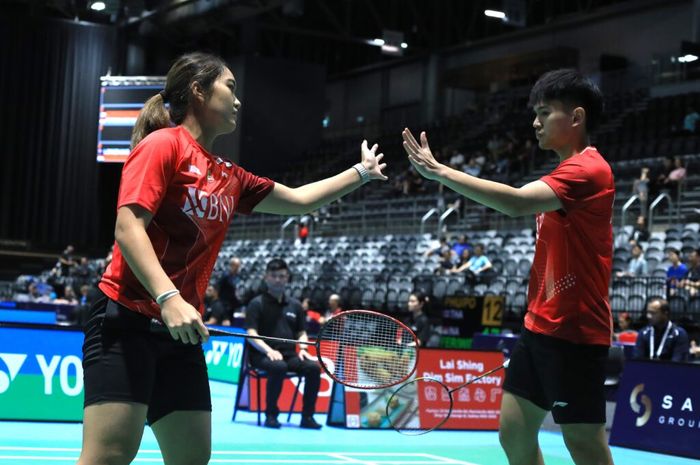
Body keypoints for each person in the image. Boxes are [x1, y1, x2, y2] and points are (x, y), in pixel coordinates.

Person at [77, 52, 386, 465]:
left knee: (191, 458)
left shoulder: (230, 175)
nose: (238, 100)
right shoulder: (162, 146)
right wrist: (169, 299)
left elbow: (297, 201)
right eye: (230, 87)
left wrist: (360, 173)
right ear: (198, 91)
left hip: (180, 333)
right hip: (125, 319)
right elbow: (128, 227)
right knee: (109, 456)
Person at [402, 69, 614, 465]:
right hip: (540, 327)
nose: (534, 122)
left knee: (583, 444)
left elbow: (515, 202)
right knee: (514, 433)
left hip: (575, 334)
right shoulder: (562, 173)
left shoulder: (589, 171)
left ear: (576, 117)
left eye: (544, 112)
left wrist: (440, 172)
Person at [244, 259, 323, 429]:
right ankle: (271, 415)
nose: (278, 280)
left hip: (289, 355)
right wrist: (268, 350)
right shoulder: (257, 303)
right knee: (279, 367)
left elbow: (302, 332)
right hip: (261, 355)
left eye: (282, 276)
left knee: (313, 368)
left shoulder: (295, 305)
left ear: (287, 278)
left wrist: (302, 348)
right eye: (274, 276)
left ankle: (307, 417)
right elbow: (251, 334)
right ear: (266, 278)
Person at [634, 298, 689, 362]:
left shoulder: (679, 334)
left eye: (653, 313)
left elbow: (677, 363)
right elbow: (638, 360)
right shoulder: (643, 333)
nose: (648, 316)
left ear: (665, 313)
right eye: (648, 312)